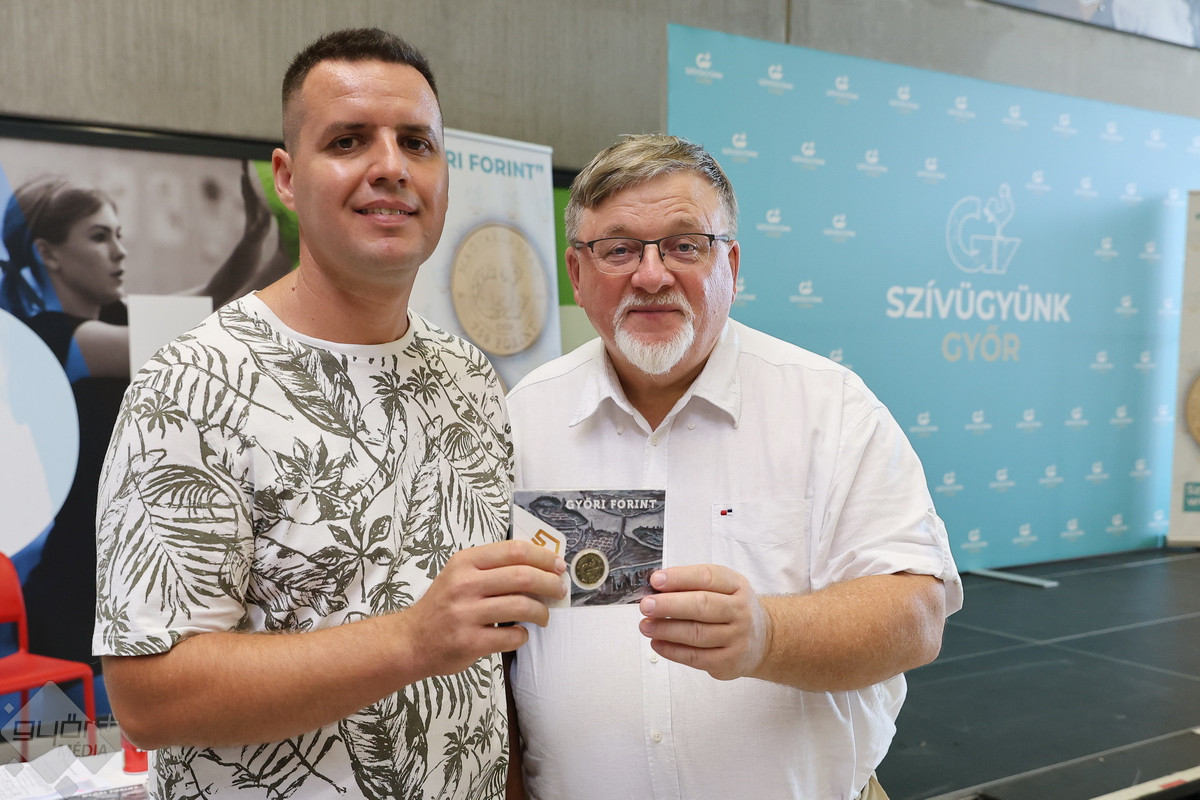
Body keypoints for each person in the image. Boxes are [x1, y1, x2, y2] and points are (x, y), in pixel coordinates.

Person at [93, 27, 565, 800]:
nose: (391, 166)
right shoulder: (194, 385)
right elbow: (150, 698)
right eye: (348, 141)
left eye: (416, 143)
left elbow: (483, 665)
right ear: (286, 177)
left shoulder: (470, 379)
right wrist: (410, 640)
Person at [505, 134, 963, 800]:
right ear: (577, 273)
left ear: (732, 263)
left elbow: (917, 617)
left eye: (685, 245)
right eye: (619, 249)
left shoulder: (830, 408)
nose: (652, 275)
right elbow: (501, 640)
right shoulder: (523, 417)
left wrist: (768, 635)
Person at [0, 167, 281, 672]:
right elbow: (202, 337)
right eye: (99, 237)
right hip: (77, 574)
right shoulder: (51, 337)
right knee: (78, 721)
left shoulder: (113, 316)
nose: (120, 251)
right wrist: (277, 249)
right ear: (48, 253)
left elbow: (213, 301)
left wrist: (263, 239)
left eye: (119, 234)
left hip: (121, 557)